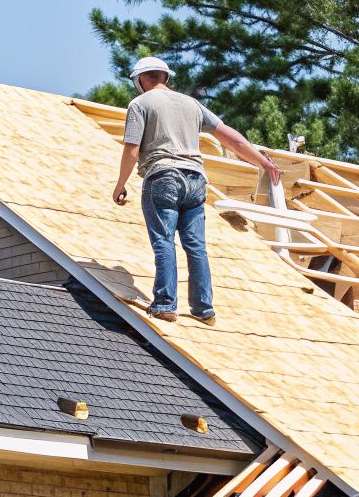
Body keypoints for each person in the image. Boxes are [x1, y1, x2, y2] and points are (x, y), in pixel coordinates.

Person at [111, 55, 281, 323]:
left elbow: (132, 149)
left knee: (164, 241)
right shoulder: (193, 105)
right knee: (196, 246)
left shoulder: (139, 104)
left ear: (142, 79)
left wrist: (120, 185)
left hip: (163, 176)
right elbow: (231, 138)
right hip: (195, 180)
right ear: (166, 77)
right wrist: (263, 162)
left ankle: (166, 304)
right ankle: (204, 309)